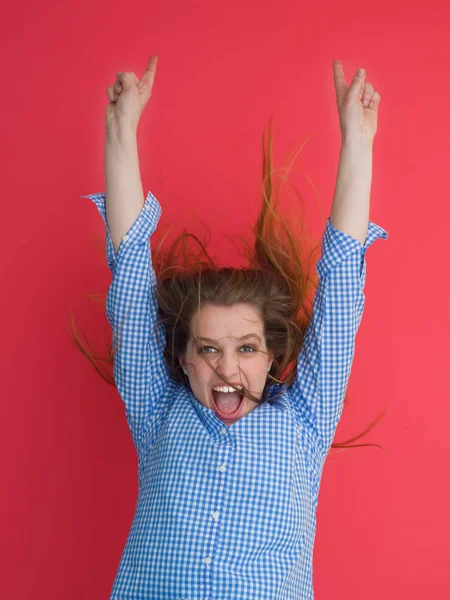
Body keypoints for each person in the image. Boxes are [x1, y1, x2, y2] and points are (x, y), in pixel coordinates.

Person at [77, 56, 388, 599]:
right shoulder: (157, 411)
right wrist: (120, 129)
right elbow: (129, 280)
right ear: (183, 358)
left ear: (271, 356)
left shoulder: (305, 420)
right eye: (209, 349)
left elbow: (339, 293)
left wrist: (357, 144)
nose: (228, 368)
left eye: (246, 348)